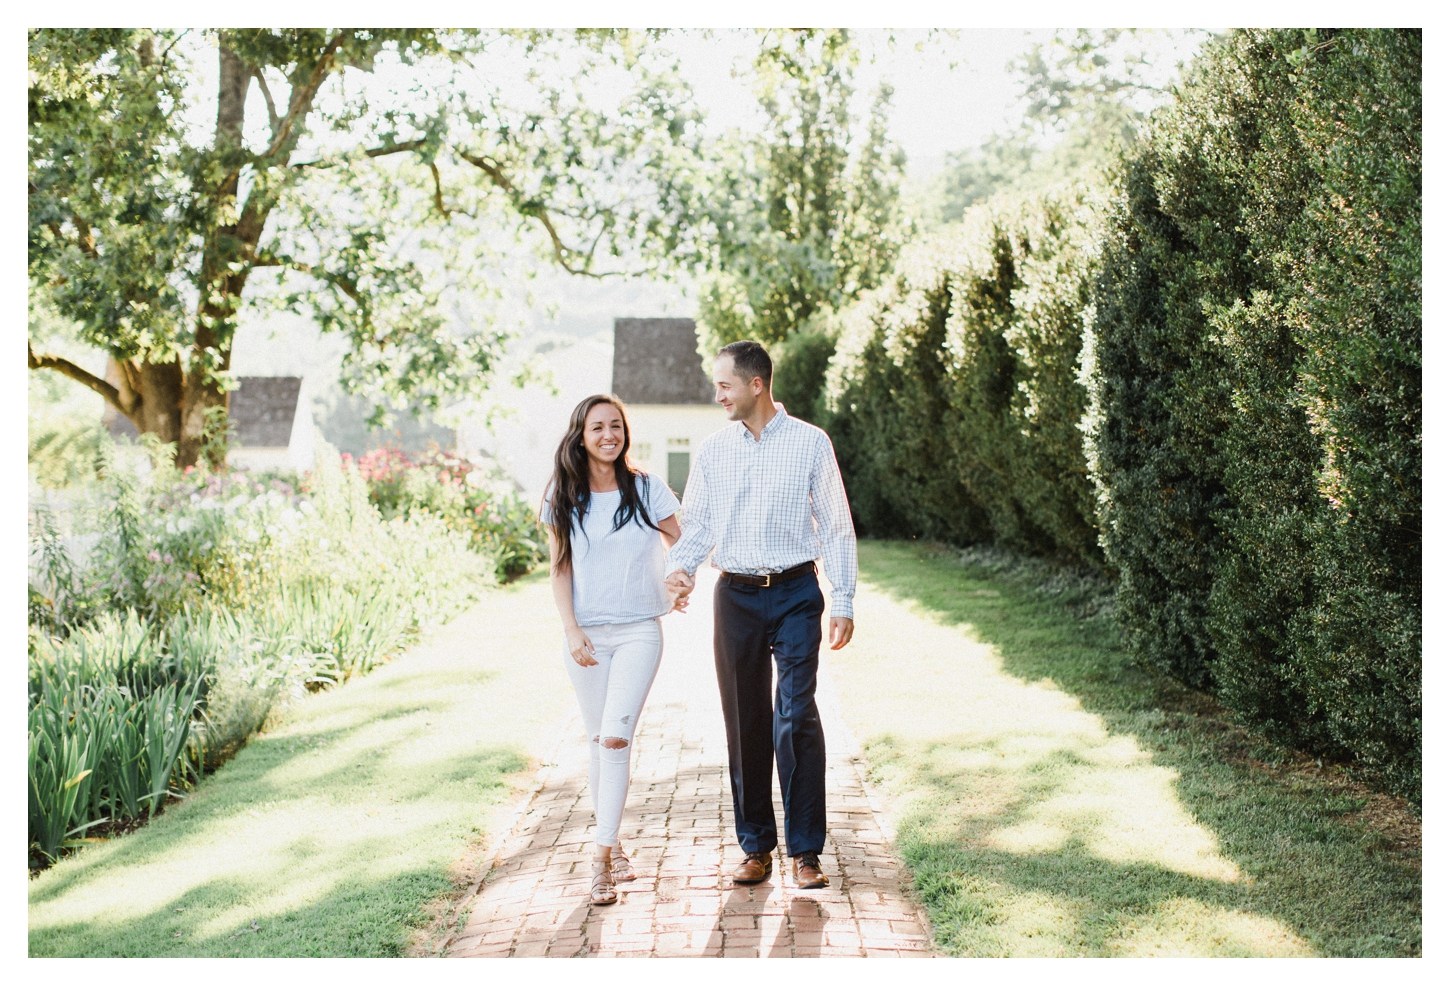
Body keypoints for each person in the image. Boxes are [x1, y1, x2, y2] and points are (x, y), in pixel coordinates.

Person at [664, 340, 857, 891]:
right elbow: (696, 523)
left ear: (756, 385)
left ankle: (806, 852)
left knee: (794, 716)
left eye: (724, 385)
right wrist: (682, 568)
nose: (716, 394)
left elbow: (838, 527)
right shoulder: (714, 450)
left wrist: (842, 599)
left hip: (797, 592)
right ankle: (756, 847)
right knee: (745, 721)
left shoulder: (811, 444)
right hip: (737, 599)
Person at [541, 394, 682, 905]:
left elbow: (680, 540)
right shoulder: (563, 494)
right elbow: (559, 569)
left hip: (640, 631)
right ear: (581, 435)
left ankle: (598, 862)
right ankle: (614, 842)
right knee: (599, 740)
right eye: (598, 427)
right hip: (586, 639)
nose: (609, 435)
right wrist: (572, 629)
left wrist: (679, 577)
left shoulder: (646, 488)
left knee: (616, 740)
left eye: (616, 426)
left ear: (626, 432)